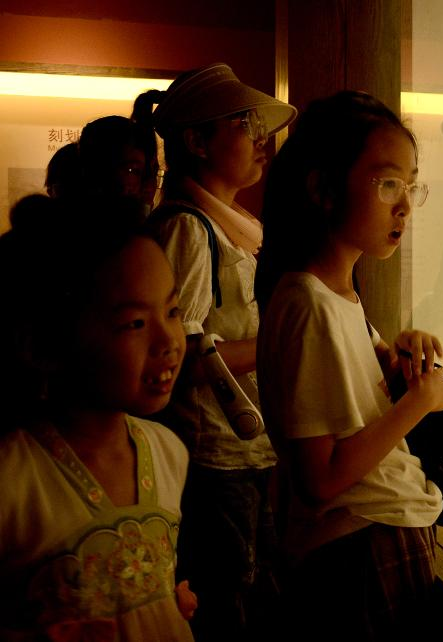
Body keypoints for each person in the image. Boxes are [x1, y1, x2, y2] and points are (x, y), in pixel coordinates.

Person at [255, 91, 443, 639]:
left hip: (375, 532)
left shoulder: (336, 296)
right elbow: (320, 479)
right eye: (387, 183)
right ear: (323, 189)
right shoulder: (308, 302)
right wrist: (419, 401)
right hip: (360, 545)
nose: (405, 205)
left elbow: (366, 401)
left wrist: (402, 359)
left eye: (411, 186)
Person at [133, 63, 296, 641]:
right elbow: (183, 351)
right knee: (231, 602)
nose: (260, 139)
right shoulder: (188, 228)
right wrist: (283, 344)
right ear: (198, 142)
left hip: (244, 450)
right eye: (244, 125)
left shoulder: (228, 224)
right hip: (217, 455)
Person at [0, 196, 196, 640]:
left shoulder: (168, 452)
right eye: (134, 324)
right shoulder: (13, 479)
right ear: (46, 342)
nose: (169, 340)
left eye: (172, 311)